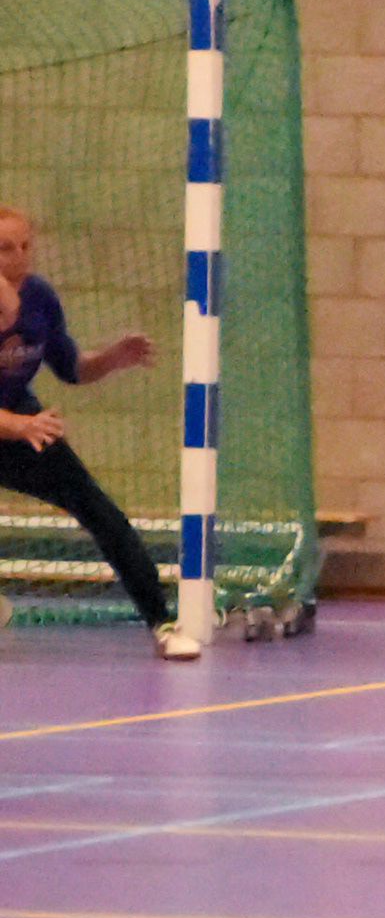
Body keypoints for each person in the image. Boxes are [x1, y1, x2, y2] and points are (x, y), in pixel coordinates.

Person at [0, 205, 199, 659]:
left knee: (98, 509)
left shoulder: (40, 298)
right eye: (5, 248)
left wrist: (111, 358)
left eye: (26, 246)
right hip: (18, 424)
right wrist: (19, 424)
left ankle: (162, 622)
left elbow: (72, 368)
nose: (20, 257)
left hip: (24, 427)